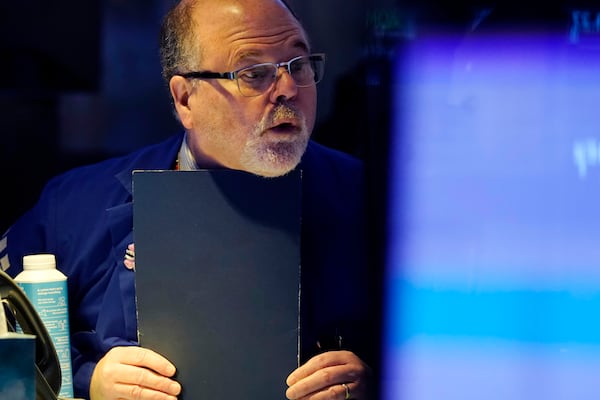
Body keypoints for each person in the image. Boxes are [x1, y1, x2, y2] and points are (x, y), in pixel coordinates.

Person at [0, 0, 376, 399]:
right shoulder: (74, 206)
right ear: (184, 100)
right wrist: (85, 380)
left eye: (297, 66)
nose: (286, 90)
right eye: (252, 73)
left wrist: (381, 381)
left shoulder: (372, 198)